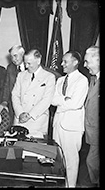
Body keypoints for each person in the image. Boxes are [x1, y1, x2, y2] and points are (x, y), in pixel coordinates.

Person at [51, 51, 89, 187]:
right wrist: (64, 99)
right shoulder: (60, 80)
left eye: (65, 61)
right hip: (58, 124)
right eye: (62, 61)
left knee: (71, 161)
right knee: (59, 161)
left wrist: (61, 102)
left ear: (75, 62)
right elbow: (52, 100)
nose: (62, 64)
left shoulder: (82, 80)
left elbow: (76, 103)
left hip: (72, 127)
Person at [12, 49, 55, 138]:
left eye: (29, 63)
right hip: (20, 119)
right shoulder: (21, 75)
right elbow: (15, 95)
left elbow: (47, 100)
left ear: (38, 60)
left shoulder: (49, 77)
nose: (26, 66)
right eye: (25, 63)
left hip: (37, 121)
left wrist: (30, 115)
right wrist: (20, 113)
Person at [83, 46, 100, 187]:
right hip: (92, 132)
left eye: (87, 62)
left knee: (91, 162)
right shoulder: (93, 79)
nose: (85, 65)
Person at [0, 45, 26, 125]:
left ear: (23, 54)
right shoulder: (10, 68)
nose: (13, 59)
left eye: (15, 56)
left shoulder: (30, 66)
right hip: (15, 105)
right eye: (11, 57)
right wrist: (4, 101)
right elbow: (7, 86)